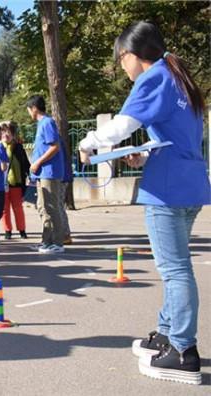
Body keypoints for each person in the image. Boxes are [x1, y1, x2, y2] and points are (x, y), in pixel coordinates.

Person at [79, 21, 209, 385]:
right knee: (176, 267)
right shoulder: (179, 78)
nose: (122, 67)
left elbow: (122, 125)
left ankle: (183, 351)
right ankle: (169, 333)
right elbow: (176, 138)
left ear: (134, 55)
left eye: (122, 59)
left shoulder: (155, 76)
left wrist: (88, 142)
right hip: (187, 182)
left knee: (175, 269)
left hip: (168, 190)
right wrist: (145, 156)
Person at [27, 95, 65, 254]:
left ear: (34, 108)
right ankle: (46, 241)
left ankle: (57, 242)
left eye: (29, 110)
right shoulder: (41, 124)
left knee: (51, 206)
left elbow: (54, 146)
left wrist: (37, 162)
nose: (29, 113)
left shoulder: (47, 122)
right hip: (42, 173)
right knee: (43, 206)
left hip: (49, 172)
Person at [0, 122, 30, 240]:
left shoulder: (18, 147)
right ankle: (7, 231)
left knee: (18, 208)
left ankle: (22, 230)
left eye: (8, 132)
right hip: (2, 183)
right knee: (4, 209)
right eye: (3, 132)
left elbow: (25, 164)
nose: (5, 134)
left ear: (13, 134)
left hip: (16, 182)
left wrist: (29, 175)